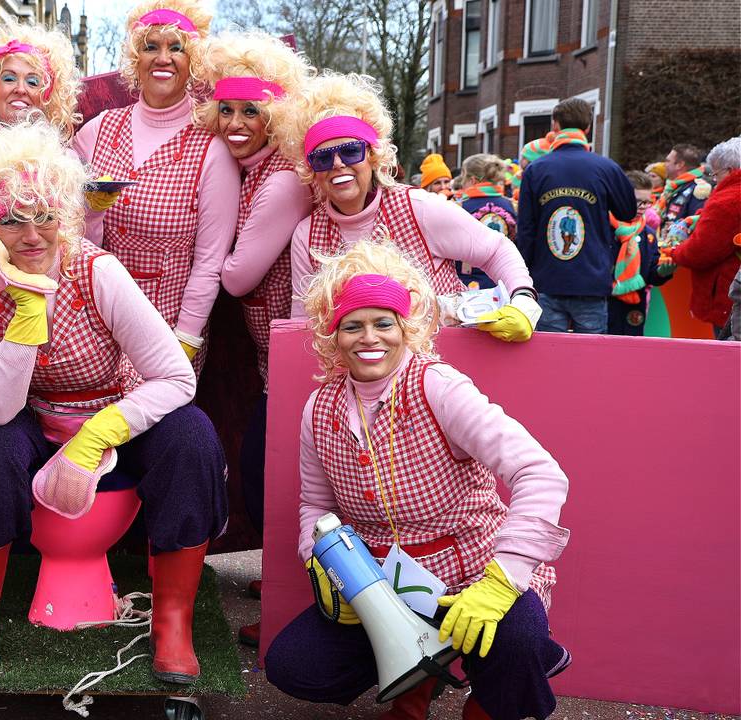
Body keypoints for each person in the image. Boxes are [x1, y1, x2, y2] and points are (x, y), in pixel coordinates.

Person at [0, 122, 228, 685]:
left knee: (192, 436)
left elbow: (174, 377)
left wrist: (100, 432)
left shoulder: (98, 270)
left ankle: (173, 617)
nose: (32, 233)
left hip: (111, 414)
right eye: (12, 219)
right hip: (26, 416)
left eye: (44, 215)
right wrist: (25, 317)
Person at [264, 240, 571, 720]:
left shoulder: (438, 386)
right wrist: (323, 569)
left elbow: (541, 473)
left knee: (519, 644)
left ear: (406, 328)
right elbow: (314, 507)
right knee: (294, 666)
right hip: (384, 589)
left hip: (475, 575)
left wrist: (501, 580)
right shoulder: (318, 408)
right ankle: (416, 686)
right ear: (333, 335)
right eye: (353, 326)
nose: (370, 338)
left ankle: (488, 705)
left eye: (384, 323)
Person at [195, 29, 312, 647]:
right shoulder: (249, 168)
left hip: (304, 355)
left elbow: (238, 276)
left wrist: (198, 250)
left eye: (252, 111)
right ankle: (289, 588)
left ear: (278, 115)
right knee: (272, 470)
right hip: (273, 352)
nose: (236, 123)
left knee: (281, 477)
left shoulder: (285, 177)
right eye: (227, 109)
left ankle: (292, 612)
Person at [273, 72, 539, 342]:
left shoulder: (418, 208)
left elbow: (495, 250)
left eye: (351, 151)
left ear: (373, 156)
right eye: (323, 157)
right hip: (357, 376)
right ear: (311, 170)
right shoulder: (307, 236)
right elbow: (304, 321)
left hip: (443, 364)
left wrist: (523, 301)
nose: (338, 164)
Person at [72, 0, 240, 366]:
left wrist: (187, 339)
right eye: (151, 47)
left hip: (166, 335)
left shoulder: (212, 149)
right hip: (94, 328)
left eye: (176, 48)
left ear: (191, 61)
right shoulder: (98, 131)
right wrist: (91, 212)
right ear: (136, 59)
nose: (163, 57)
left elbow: (209, 261)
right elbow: (65, 232)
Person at [515, 98, 638, 334]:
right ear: (588, 128)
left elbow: (526, 230)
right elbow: (628, 211)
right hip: (591, 279)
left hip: (547, 279)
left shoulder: (536, 169)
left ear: (555, 126)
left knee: (550, 356)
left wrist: (525, 275)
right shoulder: (606, 168)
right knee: (591, 359)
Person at [661, 136, 741, 339]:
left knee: (727, 357)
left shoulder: (726, 201)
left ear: (730, 171)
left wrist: (674, 251)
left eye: (716, 174)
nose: (714, 180)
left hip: (728, 296)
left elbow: (701, 251)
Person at [0, 21, 82, 136]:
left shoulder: (62, 156)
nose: (20, 89)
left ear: (46, 97)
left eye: (32, 82)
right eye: (9, 79)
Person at [606, 170, 669, 336]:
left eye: (647, 202)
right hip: (604, 304)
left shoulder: (647, 233)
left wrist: (663, 272)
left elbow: (650, 273)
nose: (643, 208)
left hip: (634, 307)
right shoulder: (604, 227)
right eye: (638, 202)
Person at [456, 153, 516, 290]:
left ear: (472, 180)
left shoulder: (459, 207)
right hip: (504, 284)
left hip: (468, 286)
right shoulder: (513, 206)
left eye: (463, 177)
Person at [655, 143, 710, 238]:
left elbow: (695, 226)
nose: (664, 165)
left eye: (667, 161)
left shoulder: (700, 188)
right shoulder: (672, 186)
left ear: (679, 165)